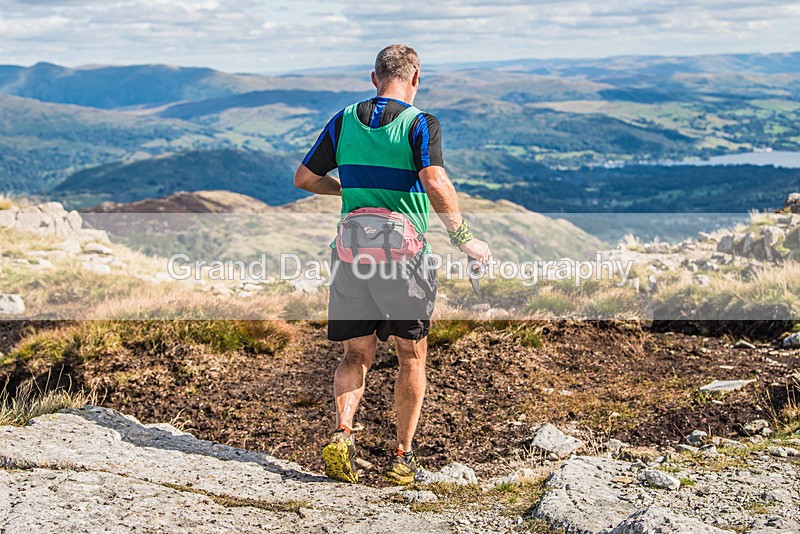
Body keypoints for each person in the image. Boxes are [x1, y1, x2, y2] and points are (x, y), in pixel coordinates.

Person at [294, 44, 491, 485]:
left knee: (355, 354)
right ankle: (402, 458)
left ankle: (343, 434)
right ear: (416, 78)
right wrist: (465, 239)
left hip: (350, 258)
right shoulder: (421, 124)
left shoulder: (343, 120)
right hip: (405, 263)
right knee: (411, 356)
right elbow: (435, 181)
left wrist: (344, 191)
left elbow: (304, 179)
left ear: (373, 77)